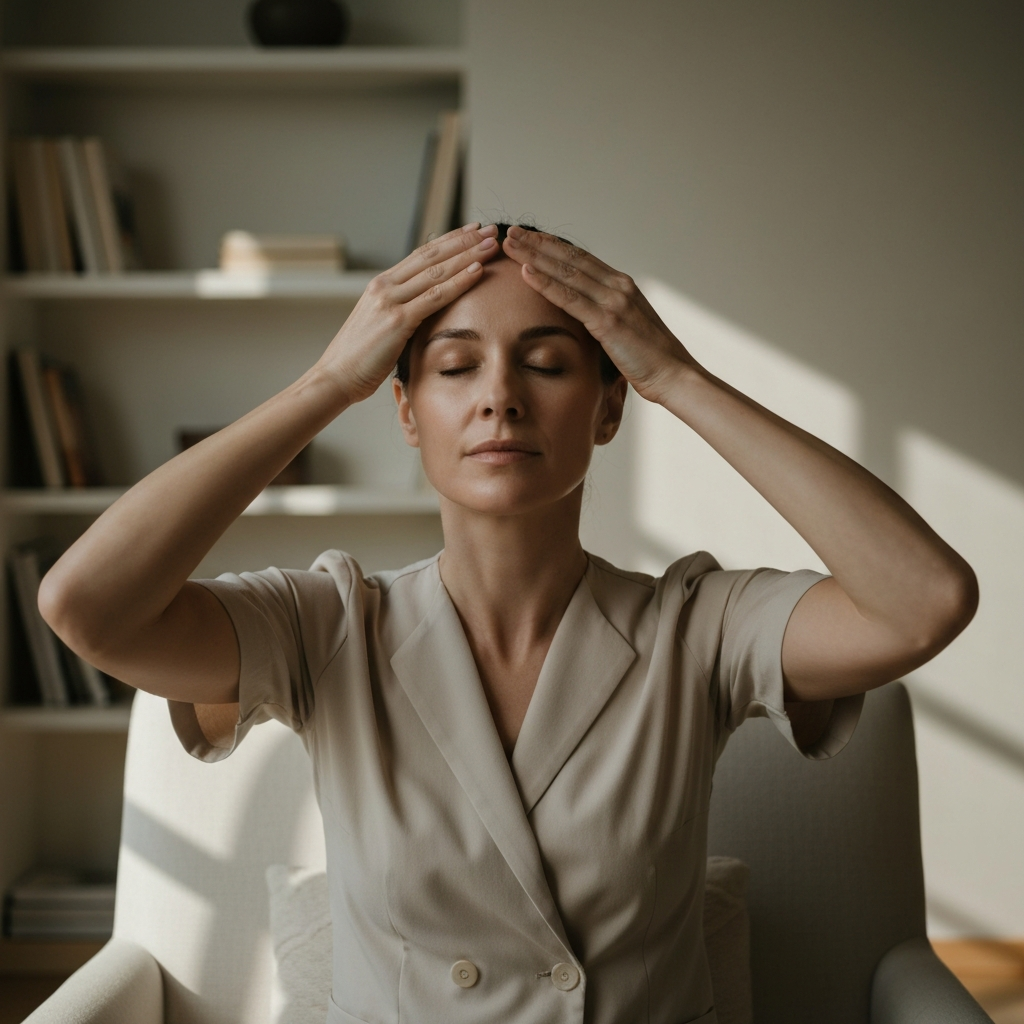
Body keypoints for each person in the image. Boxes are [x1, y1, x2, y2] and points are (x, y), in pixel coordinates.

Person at [40, 221, 977, 1023]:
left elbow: (925, 600)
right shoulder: (328, 624)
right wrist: (327, 382)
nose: (501, 396)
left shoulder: (697, 626)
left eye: (547, 362)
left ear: (609, 405)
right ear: (404, 409)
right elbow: (83, 604)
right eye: (454, 366)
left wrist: (679, 377)